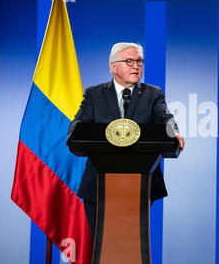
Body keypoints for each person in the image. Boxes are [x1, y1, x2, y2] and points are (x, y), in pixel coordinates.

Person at [68, 42, 184, 244]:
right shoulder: (94, 94)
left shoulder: (153, 93)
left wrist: (174, 132)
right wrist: (75, 132)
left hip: (141, 185)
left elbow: (164, 117)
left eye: (139, 61)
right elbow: (78, 124)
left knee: (131, 246)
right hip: (98, 185)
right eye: (129, 61)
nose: (136, 66)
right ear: (113, 67)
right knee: (102, 247)